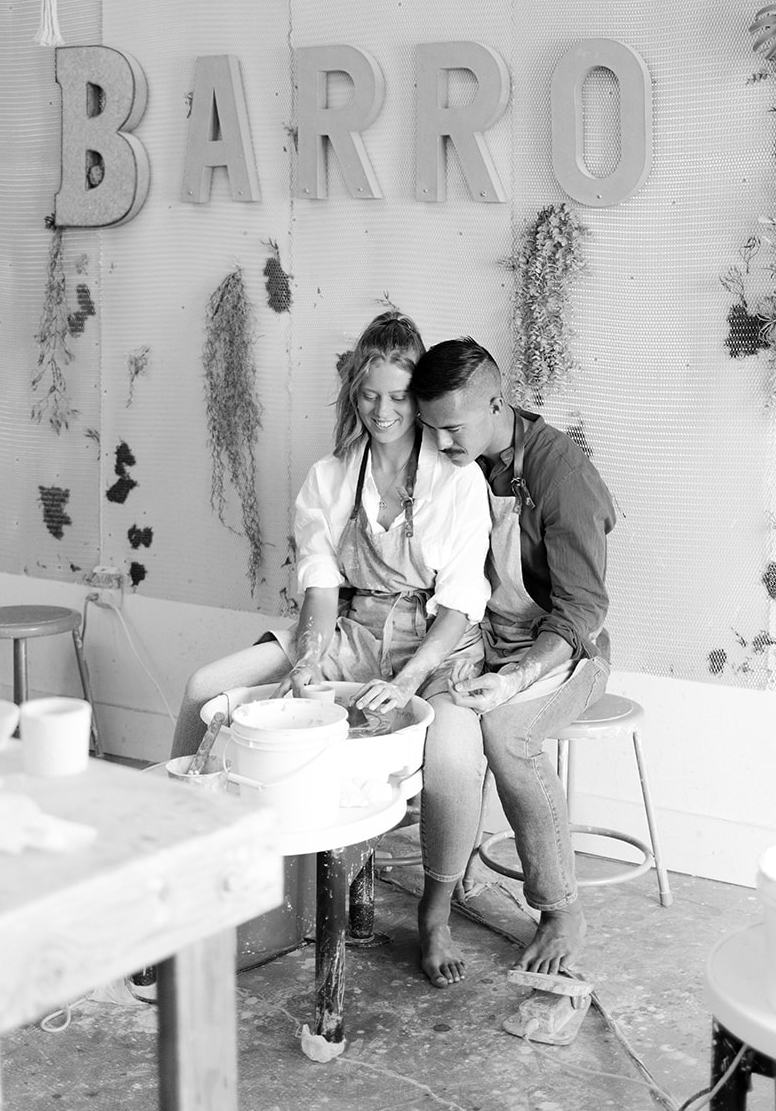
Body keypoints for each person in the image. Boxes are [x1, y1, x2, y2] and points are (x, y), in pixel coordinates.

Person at [171, 313, 492, 917]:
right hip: (352, 629)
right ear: (354, 394)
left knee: (450, 752)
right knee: (205, 688)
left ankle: (437, 908)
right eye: (369, 395)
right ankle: (186, 844)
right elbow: (319, 586)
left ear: (418, 399)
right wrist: (311, 660)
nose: (383, 410)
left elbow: (458, 606)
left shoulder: (459, 479)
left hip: (438, 643)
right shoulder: (332, 475)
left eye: (399, 396)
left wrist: (406, 681)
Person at [408, 338, 615, 986]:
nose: (440, 444)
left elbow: (583, 609)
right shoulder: (456, 463)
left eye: (451, 428)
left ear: (496, 403)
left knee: (506, 731)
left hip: (561, 647)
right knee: (438, 721)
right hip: (484, 634)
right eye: (430, 429)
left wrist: (518, 676)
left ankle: (560, 909)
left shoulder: (562, 474)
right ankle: (441, 890)